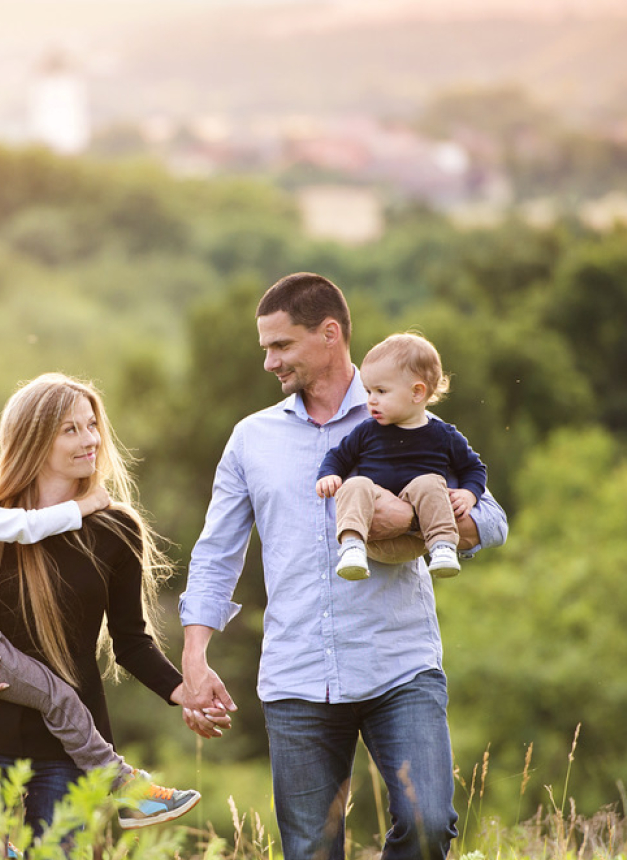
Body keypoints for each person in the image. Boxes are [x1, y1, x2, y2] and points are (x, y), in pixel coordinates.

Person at [178, 273, 509, 860]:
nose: (269, 362)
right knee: (310, 851)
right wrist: (195, 654)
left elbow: (493, 521)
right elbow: (215, 553)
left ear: (329, 334)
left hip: (398, 664)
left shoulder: (404, 411)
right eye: (266, 348)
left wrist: (409, 519)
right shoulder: (252, 439)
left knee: (429, 824)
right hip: (297, 673)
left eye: (282, 345)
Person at [0, 374, 201, 848]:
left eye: (92, 425)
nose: (90, 440)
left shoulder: (115, 529)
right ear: (35, 439)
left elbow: (131, 641)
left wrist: (186, 692)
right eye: (71, 429)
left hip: (71, 747)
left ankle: (128, 788)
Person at [315, 332, 489, 581]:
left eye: (381, 391)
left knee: (430, 482)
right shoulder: (367, 431)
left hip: (421, 541)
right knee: (355, 484)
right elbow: (338, 456)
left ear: (417, 393)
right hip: (373, 537)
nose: (371, 401)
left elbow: (474, 468)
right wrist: (329, 475)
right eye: (368, 391)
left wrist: (469, 494)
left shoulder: (443, 435)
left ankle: (443, 548)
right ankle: (351, 547)